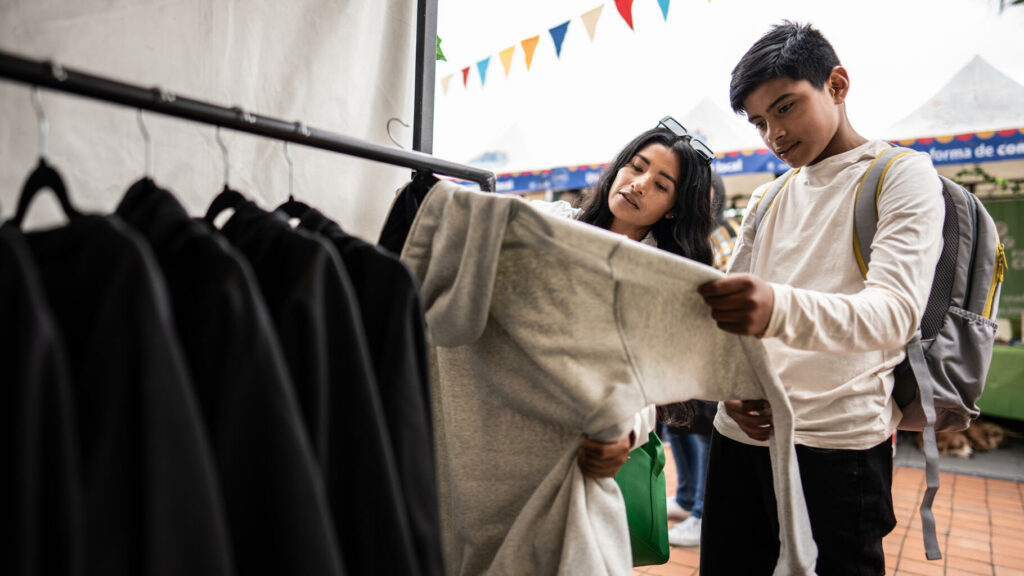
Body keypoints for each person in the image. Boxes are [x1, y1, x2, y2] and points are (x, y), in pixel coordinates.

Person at [697, 21, 944, 575]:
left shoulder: (900, 176)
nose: (774, 135)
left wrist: (776, 306)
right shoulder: (769, 193)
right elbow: (728, 317)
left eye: (785, 108)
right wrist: (727, 388)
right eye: (761, 122)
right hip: (742, 433)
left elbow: (894, 313)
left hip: (835, 443)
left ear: (836, 84)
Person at [537, 120, 716, 477]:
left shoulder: (660, 279)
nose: (639, 184)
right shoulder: (553, 223)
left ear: (673, 209)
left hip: (606, 449)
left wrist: (624, 431)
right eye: (636, 167)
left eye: (661, 185)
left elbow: (644, 382)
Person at [663, 170, 737, 547]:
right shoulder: (683, 234)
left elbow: (719, 291)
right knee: (678, 426)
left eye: (704, 195)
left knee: (706, 436)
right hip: (678, 355)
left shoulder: (722, 235)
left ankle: (702, 515)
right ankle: (687, 497)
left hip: (709, 356)